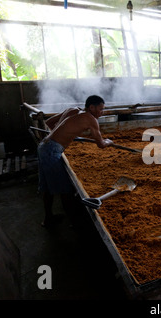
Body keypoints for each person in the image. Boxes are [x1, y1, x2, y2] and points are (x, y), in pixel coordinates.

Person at [38, 95, 113, 228]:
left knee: (47, 188)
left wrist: (68, 133)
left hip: (44, 146)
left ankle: (48, 219)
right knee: (66, 190)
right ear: (91, 107)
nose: (102, 112)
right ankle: (75, 224)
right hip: (52, 150)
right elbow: (101, 144)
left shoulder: (72, 110)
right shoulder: (91, 119)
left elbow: (49, 123)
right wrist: (109, 141)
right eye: (101, 109)